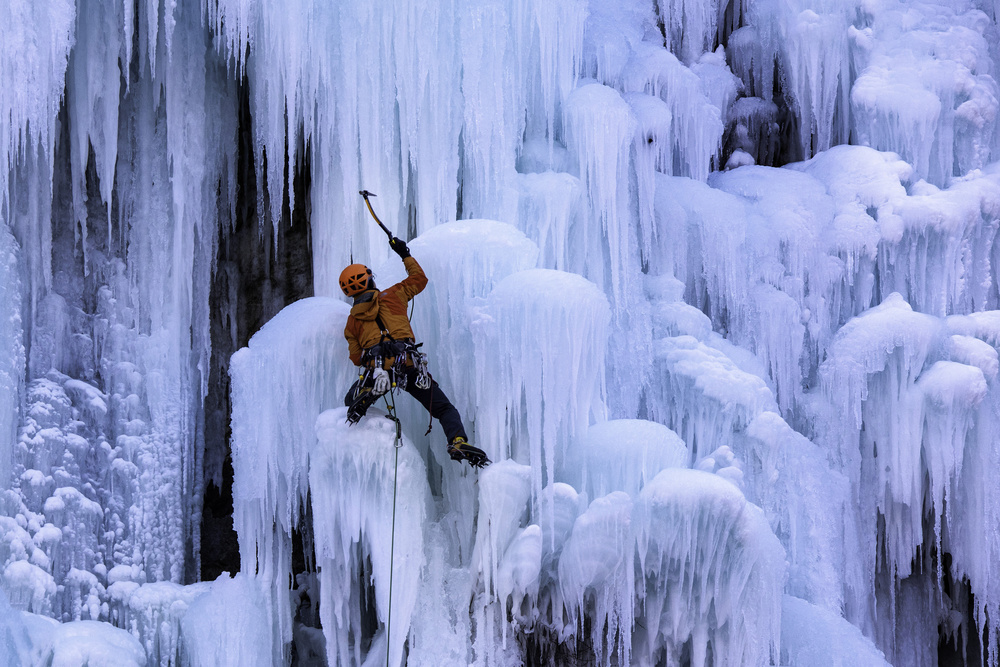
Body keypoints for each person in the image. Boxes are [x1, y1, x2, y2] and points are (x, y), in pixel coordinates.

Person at [340, 235, 490, 469]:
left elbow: (356, 357)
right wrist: (404, 254)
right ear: (369, 280)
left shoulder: (351, 323)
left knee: (350, 400)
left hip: (379, 369)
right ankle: (457, 441)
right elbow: (419, 279)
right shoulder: (393, 295)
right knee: (443, 409)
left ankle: (366, 391)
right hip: (408, 366)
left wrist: (373, 354)